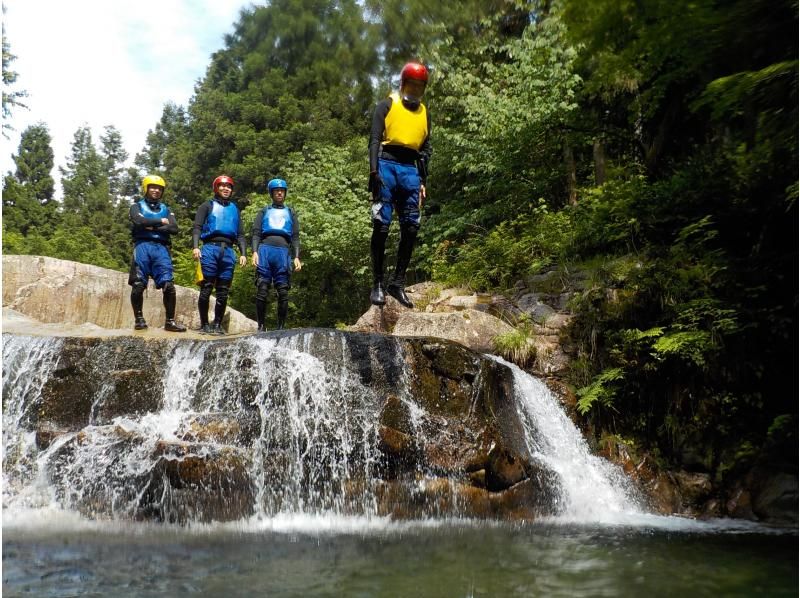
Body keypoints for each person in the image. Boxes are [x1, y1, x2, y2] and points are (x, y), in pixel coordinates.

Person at [367, 61, 432, 308]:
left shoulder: (425, 112)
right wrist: (373, 172)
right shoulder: (386, 105)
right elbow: (374, 140)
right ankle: (378, 283)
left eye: (419, 86)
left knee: (411, 228)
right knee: (381, 226)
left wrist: (423, 180)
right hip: (386, 165)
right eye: (411, 85)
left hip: (410, 171)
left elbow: (426, 148)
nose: (415, 90)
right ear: (403, 84)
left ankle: (397, 282)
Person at [128, 175, 187, 332]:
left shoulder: (166, 209)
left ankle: (170, 321)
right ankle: (139, 319)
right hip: (142, 247)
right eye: (153, 187)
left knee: (169, 285)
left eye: (159, 188)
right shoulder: (136, 206)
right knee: (138, 284)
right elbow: (139, 221)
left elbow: (174, 229)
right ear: (146, 188)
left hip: (161, 248)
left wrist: (150, 225)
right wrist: (161, 222)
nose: (156, 190)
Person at [192, 175, 247, 335]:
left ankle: (217, 324)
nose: (226, 189)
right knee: (207, 287)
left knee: (223, 291)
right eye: (222, 186)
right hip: (210, 249)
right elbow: (197, 227)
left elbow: (241, 234)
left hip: (228, 251)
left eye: (229, 187)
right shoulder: (206, 206)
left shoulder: (235, 209)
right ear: (216, 188)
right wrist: (195, 247)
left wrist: (243, 253)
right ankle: (204, 324)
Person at [251, 178, 302, 331]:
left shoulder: (291, 212)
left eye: (282, 191)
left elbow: (295, 236)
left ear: (285, 193)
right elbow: (256, 233)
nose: (279, 193)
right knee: (262, 288)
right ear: (272, 193)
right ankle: (261, 326)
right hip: (265, 249)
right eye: (276, 191)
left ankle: (281, 327)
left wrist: (297, 256)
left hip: (283, 252)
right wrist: (254, 251)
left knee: (283, 291)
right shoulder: (264, 211)